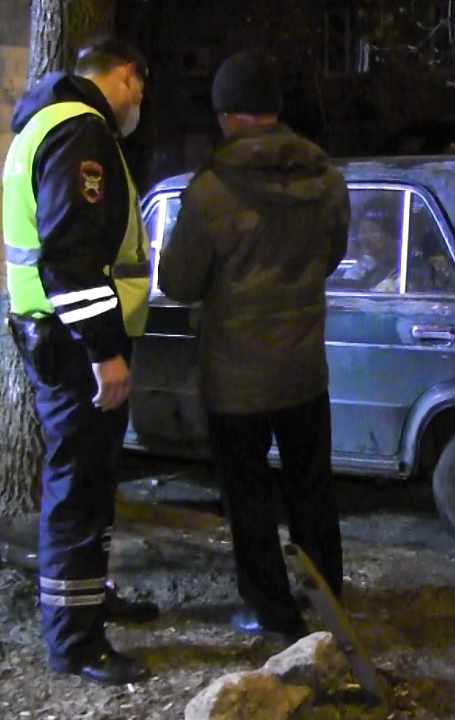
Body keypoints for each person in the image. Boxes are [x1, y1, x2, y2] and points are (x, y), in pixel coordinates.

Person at [158, 50, 350, 642]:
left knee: (249, 498)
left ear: (228, 115)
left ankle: (270, 610)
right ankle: (326, 599)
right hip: (304, 369)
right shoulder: (327, 178)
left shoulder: (212, 191)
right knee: (311, 489)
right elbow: (332, 256)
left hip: (236, 378)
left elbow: (178, 281)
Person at [1, 36, 158, 685]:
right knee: (77, 491)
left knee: (89, 485)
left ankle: (90, 600)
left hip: (59, 339)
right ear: (125, 75)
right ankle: (75, 640)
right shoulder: (80, 131)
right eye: (140, 87)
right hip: (76, 349)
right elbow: (70, 256)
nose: (139, 102)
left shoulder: (43, 124)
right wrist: (104, 350)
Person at [340, 198, 400, 292]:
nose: (366, 237)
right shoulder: (361, 267)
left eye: (373, 230)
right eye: (363, 231)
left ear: (390, 235)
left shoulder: (403, 270)